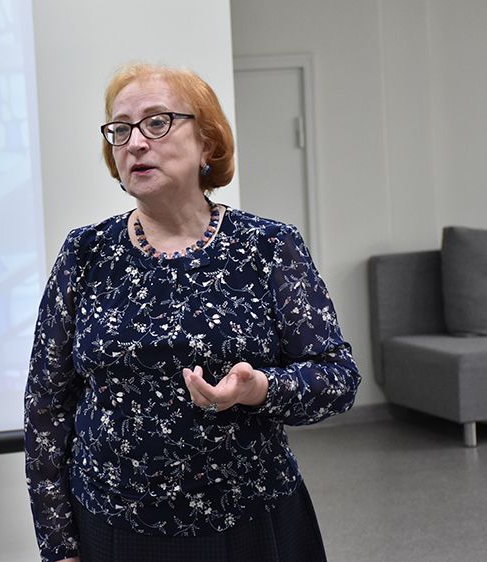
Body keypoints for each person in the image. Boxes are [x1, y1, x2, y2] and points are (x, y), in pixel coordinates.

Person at [24, 62, 360, 562]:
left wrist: (258, 389)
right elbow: (46, 406)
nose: (136, 143)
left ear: (208, 143)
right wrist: (58, 546)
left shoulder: (268, 246)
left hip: (250, 524)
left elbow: (337, 379)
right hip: (114, 529)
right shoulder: (85, 253)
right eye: (120, 130)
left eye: (157, 122)